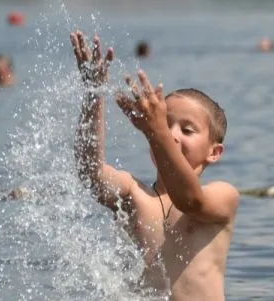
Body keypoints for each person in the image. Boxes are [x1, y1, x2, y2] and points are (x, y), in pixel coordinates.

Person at [70, 31, 239, 301]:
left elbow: (191, 201)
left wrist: (156, 131)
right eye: (164, 123)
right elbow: (90, 172)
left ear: (214, 152)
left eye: (186, 129)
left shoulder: (223, 196)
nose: (172, 134)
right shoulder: (134, 194)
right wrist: (93, 95)